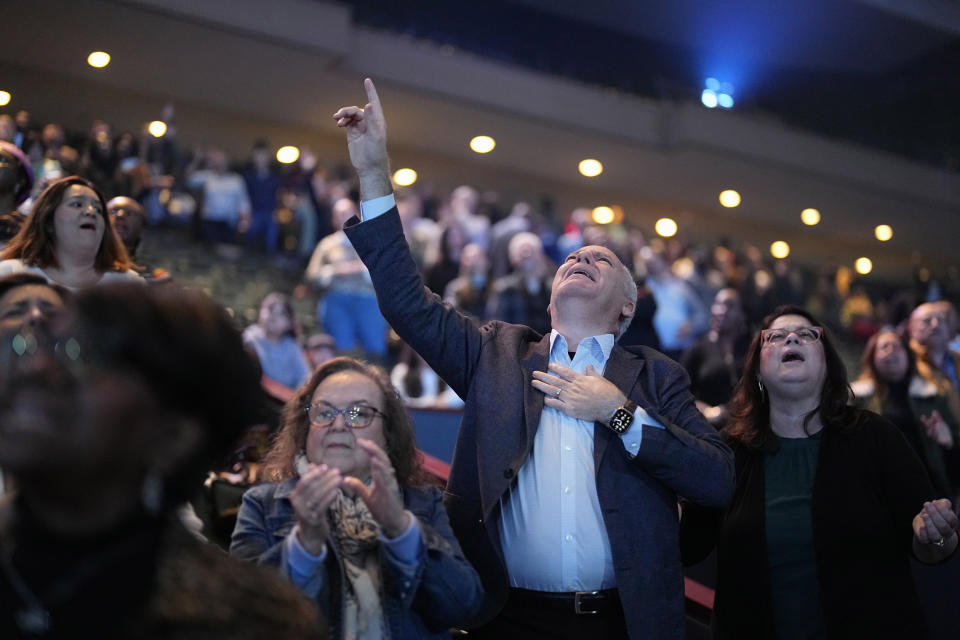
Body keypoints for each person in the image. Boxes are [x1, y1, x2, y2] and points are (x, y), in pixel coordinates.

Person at [332, 78, 734, 640]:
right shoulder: (496, 353)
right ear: (549, 301)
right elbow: (405, 302)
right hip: (506, 620)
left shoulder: (657, 377)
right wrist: (375, 173)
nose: (582, 257)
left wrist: (620, 414)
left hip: (621, 623)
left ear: (626, 307)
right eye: (572, 256)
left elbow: (717, 478)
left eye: (602, 259)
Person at [0, 283, 325, 638]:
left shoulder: (250, 624)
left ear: (172, 437)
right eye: (38, 346)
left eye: (80, 355)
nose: (34, 370)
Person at [680, 306, 958, 639]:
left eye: (807, 334)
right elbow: (688, 547)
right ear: (756, 367)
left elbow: (933, 547)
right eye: (776, 337)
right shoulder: (727, 451)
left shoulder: (875, 436)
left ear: (827, 364)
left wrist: (937, 535)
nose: (792, 337)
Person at [230, 357, 483, 639]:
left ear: (387, 435)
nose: (338, 424)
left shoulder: (423, 502)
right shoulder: (262, 504)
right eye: (324, 413)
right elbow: (242, 619)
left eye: (358, 414)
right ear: (305, 430)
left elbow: (463, 607)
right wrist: (305, 545)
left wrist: (401, 530)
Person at [852, 329, 959, 498]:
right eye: (884, 347)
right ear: (872, 358)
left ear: (908, 356)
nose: (891, 350)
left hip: (929, 491)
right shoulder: (856, 399)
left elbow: (954, 449)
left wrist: (948, 441)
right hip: (877, 493)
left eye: (897, 346)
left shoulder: (931, 395)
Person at [0, 176, 141, 289]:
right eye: (77, 204)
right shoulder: (10, 273)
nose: (91, 212)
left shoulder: (129, 284)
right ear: (48, 221)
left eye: (98, 210)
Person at [680, 288, 750, 427]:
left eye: (730, 306)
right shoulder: (698, 349)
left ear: (741, 315)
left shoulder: (749, 348)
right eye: (718, 305)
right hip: (709, 429)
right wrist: (706, 410)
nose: (722, 310)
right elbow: (680, 392)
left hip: (746, 427)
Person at [243, 292, 312, 390]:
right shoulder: (248, 341)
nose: (274, 315)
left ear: (289, 323)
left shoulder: (292, 348)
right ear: (260, 311)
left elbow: (305, 379)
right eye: (270, 308)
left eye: (282, 313)